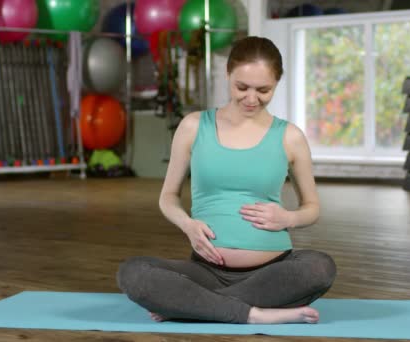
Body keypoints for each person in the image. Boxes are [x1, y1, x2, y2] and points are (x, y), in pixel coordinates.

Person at [117, 36, 336, 324]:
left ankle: (194, 306)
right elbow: (168, 197)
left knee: (321, 268)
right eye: (241, 87)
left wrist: (288, 218)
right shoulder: (194, 126)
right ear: (227, 75)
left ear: (277, 83)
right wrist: (188, 225)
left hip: (271, 271)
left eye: (263, 90)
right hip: (205, 272)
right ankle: (253, 315)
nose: (251, 98)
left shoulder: (290, 136)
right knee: (133, 273)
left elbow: (312, 207)